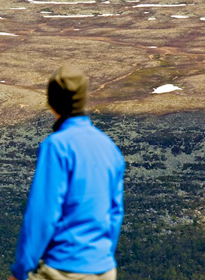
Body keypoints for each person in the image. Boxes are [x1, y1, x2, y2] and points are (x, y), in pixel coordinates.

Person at [10, 65, 125, 280]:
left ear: (52, 101)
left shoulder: (57, 146)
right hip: (104, 268)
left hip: (62, 268)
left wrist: (21, 270)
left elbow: (42, 214)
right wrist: (102, 257)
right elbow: (115, 213)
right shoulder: (109, 147)